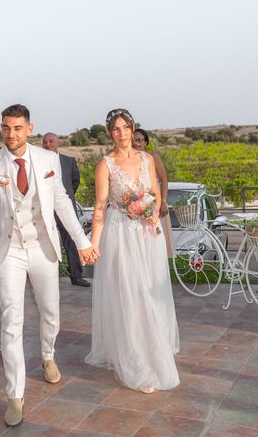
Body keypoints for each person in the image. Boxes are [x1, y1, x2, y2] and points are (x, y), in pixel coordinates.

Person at [0, 104, 97, 427]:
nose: (10, 134)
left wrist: (82, 243)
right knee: (12, 321)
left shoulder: (48, 160)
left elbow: (62, 203)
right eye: (5, 128)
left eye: (17, 128)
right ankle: (15, 395)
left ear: (29, 128)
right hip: (8, 249)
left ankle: (48, 355)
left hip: (43, 247)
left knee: (50, 310)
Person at [85, 109, 179, 394]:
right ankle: (136, 360)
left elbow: (155, 192)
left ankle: (155, 346)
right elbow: (101, 205)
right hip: (120, 233)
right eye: (115, 129)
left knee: (150, 291)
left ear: (133, 128)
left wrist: (152, 211)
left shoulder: (147, 159)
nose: (122, 133)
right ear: (109, 133)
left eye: (126, 127)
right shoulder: (105, 165)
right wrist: (94, 242)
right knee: (129, 293)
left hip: (148, 234)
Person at [41, 132, 90, 287]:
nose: (47, 144)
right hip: (44, 208)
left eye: (51, 141)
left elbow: (75, 181)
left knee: (71, 240)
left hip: (64, 207)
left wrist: (65, 199)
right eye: (44, 142)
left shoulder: (68, 161)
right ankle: (43, 276)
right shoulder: (38, 162)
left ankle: (76, 275)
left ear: (57, 143)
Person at [132, 128, 174, 258]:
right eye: (133, 140)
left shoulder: (153, 157)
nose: (136, 143)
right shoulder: (127, 160)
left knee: (154, 246)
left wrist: (163, 202)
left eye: (139, 140)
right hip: (135, 208)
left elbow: (164, 180)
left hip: (155, 206)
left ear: (145, 142)